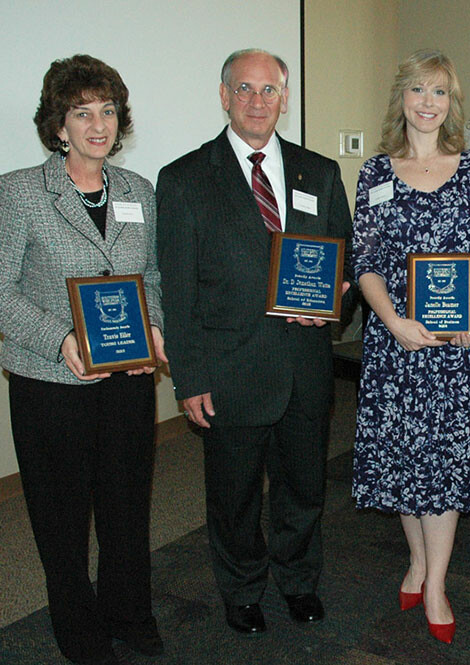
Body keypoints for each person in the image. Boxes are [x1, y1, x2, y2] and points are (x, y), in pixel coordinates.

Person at [0, 55, 166, 665]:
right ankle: (79, 631)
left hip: (128, 380)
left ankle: (129, 611)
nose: (98, 124)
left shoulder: (139, 191)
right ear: (58, 125)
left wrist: (153, 327)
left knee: (126, 505)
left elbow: (150, 275)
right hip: (50, 382)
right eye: (82, 113)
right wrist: (61, 338)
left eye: (108, 111)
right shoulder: (17, 191)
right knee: (62, 519)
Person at [156, 49, 352, 635]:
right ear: (223, 96)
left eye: (269, 91)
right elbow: (178, 291)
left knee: (304, 486)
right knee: (234, 495)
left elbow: (345, 254)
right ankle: (241, 588)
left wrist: (335, 299)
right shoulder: (184, 178)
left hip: (305, 366)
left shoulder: (318, 172)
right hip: (230, 370)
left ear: (284, 99)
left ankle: (297, 580)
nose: (257, 101)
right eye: (244, 89)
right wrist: (189, 379)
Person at [351, 49, 470, 644]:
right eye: (418, 90)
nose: (427, 102)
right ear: (403, 99)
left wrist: (465, 308)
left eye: (439, 92)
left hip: (456, 344)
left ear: (452, 104)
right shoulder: (374, 173)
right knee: (403, 463)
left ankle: (436, 581)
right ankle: (416, 560)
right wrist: (391, 320)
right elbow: (364, 261)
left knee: (442, 466)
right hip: (396, 344)